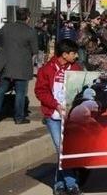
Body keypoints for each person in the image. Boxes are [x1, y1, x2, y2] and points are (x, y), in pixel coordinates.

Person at [34, 38, 83, 195]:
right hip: (53, 116)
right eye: (74, 53)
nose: (76, 56)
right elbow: (40, 91)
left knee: (65, 150)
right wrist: (55, 105)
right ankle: (72, 184)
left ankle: (59, 184)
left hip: (71, 117)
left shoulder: (76, 68)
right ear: (64, 54)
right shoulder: (46, 70)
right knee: (62, 150)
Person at [0, 7, 39, 125]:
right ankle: (19, 117)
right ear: (27, 18)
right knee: (20, 93)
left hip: (6, 63)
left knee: (1, 90)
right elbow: (35, 50)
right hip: (22, 65)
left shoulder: (7, 27)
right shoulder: (30, 31)